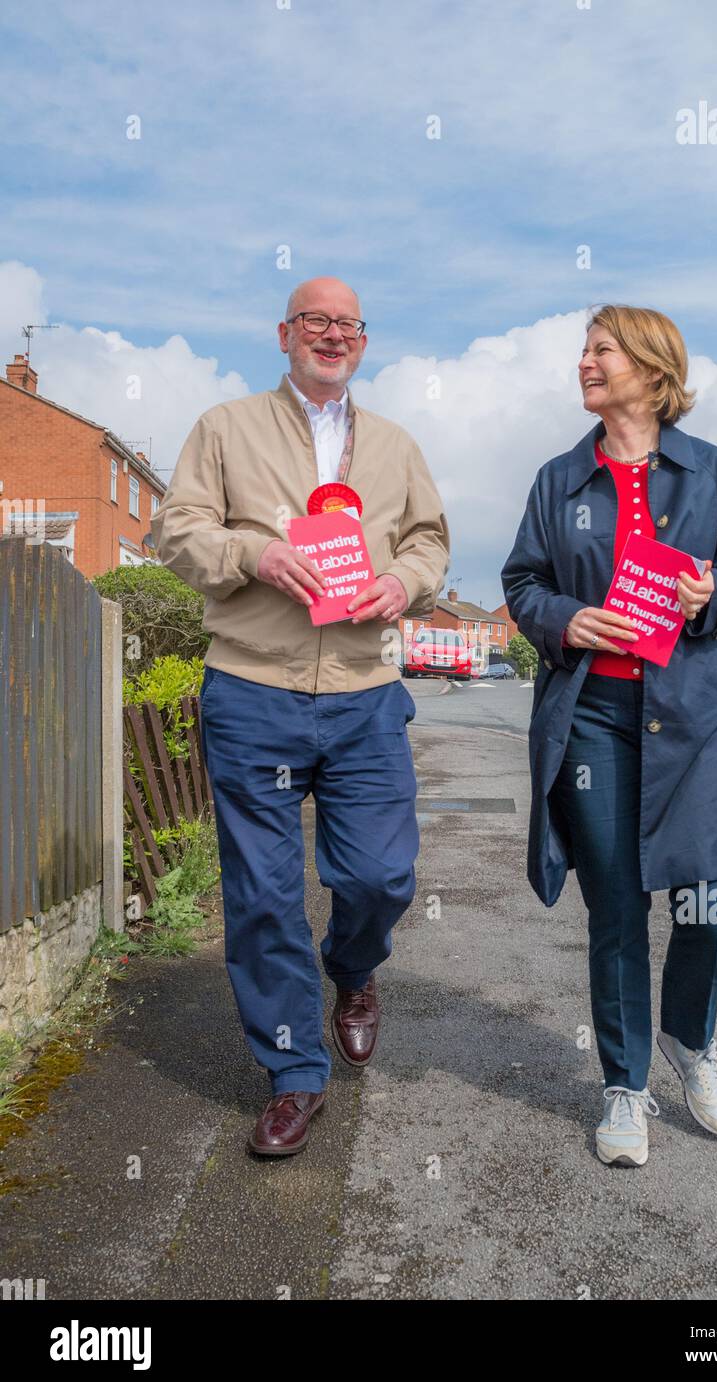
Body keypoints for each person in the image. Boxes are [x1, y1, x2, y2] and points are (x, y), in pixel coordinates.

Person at [152, 278, 449, 1157]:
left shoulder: (395, 445)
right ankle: (293, 1073)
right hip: (252, 689)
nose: (331, 334)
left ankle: (353, 971)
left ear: (363, 341)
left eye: (347, 324)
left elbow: (430, 541)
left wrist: (404, 582)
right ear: (284, 333)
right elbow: (176, 531)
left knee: (380, 877)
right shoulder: (224, 427)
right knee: (264, 896)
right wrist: (254, 553)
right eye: (314, 320)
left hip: (364, 692)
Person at [501, 304, 717, 1167]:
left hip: (694, 721)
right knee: (616, 911)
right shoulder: (558, 480)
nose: (584, 363)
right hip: (595, 722)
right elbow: (522, 580)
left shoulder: (713, 472)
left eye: (600, 351)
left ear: (652, 373)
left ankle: (690, 1041)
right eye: (584, 350)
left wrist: (710, 597)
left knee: (708, 910)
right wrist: (568, 619)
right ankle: (624, 1083)